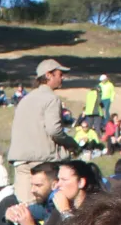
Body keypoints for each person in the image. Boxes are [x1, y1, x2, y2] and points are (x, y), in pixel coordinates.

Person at [9, 59, 80, 205]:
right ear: (48, 75)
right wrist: (71, 143)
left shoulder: (25, 100)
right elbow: (54, 130)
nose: (62, 78)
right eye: (59, 74)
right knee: (50, 210)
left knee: (24, 208)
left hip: (21, 161)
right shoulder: (51, 99)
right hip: (43, 162)